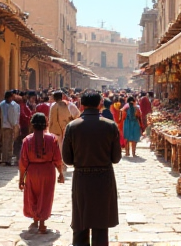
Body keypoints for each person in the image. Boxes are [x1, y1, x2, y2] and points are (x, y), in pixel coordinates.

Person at [62, 92, 122, 246]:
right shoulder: (110, 126)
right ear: (99, 104)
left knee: (81, 222)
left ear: (81, 105)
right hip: (104, 178)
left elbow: (67, 160)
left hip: (82, 178)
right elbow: (116, 158)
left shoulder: (72, 127)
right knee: (101, 226)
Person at [18, 113, 64, 233]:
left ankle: (35, 218)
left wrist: (21, 179)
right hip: (48, 171)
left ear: (32, 124)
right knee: (46, 196)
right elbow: (57, 159)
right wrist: (61, 173)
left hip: (32, 171)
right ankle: (42, 224)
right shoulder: (52, 139)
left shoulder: (27, 140)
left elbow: (23, 161)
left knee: (32, 195)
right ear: (46, 124)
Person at [49, 90, 80, 155]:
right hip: (63, 129)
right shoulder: (69, 105)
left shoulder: (53, 106)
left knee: (60, 146)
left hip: (58, 129)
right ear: (62, 97)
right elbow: (77, 115)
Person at [0, 91, 20, 165]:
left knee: (5, 143)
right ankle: (7, 159)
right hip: (9, 126)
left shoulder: (1, 104)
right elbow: (12, 116)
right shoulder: (12, 105)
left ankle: (5, 158)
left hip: (4, 126)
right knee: (8, 144)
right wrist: (14, 125)